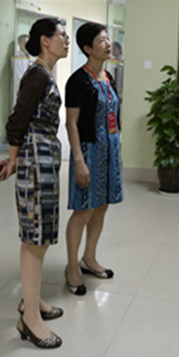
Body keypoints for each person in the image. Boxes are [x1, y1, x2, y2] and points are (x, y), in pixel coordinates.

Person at [0, 18, 69, 349]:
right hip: (36, 159)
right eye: (61, 35)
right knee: (35, 238)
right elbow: (17, 120)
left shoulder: (45, 73)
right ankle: (30, 321)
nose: (66, 40)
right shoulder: (37, 75)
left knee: (39, 236)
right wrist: (13, 160)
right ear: (45, 41)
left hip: (43, 157)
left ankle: (32, 300)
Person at [64, 22, 123, 296]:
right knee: (84, 210)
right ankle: (71, 267)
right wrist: (79, 160)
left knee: (101, 207)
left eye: (107, 39)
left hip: (110, 151)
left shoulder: (108, 77)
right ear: (87, 48)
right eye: (101, 41)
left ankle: (89, 258)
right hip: (89, 151)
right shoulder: (78, 81)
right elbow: (71, 123)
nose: (108, 44)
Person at [11, 33, 30, 112]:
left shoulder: (26, 56)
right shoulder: (17, 57)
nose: (26, 45)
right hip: (20, 88)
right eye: (24, 42)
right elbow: (18, 76)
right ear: (19, 44)